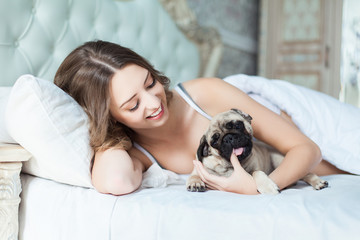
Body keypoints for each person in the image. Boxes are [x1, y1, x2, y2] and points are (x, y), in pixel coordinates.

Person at [54, 40, 347, 195]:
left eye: (149, 83)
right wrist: (106, 135)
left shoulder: (206, 95)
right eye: (132, 106)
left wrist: (257, 188)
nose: (154, 102)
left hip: (314, 136)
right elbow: (115, 180)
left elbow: (307, 149)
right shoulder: (138, 153)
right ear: (111, 118)